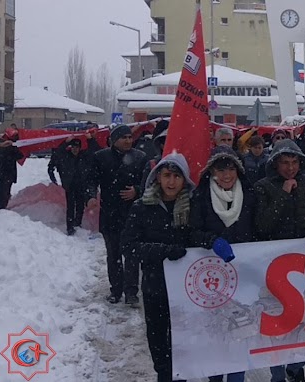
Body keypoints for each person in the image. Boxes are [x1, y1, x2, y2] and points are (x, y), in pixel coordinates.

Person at [121, 153, 222, 382]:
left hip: (188, 289)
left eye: (177, 176)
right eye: (167, 175)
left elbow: (197, 234)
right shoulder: (142, 207)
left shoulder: (193, 206)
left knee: (186, 341)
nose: (171, 182)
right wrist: (163, 251)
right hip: (155, 285)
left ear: (184, 179)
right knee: (159, 342)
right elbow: (128, 246)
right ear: (157, 177)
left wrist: (209, 240)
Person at [253, 138, 305, 382]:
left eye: (294, 163)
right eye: (284, 163)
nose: (290, 168)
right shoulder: (263, 187)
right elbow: (261, 226)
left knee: (304, 319)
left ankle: (296, 367)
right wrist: (282, 194)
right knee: (278, 320)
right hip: (275, 264)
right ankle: (277, 373)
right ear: (275, 164)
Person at [189, 146, 253, 382]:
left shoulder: (249, 193)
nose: (226, 175)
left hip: (243, 272)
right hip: (212, 275)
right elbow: (192, 231)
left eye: (231, 169)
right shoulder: (201, 195)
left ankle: (237, 376)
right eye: (220, 169)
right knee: (216, 333)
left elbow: (257, 229)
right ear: (211, 172)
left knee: (240, 331)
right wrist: (211, 240)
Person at [87, 124, 147, 305]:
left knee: (132, 254)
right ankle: (116, 290)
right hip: (110, 213)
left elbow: (148, 182)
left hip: (132, 214)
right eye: (124, 137)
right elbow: (91, 179)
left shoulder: (140, 157)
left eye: (130, 137)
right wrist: (91, 196)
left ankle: (131, 292)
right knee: (113, 254)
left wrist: (136, 190)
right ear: (114, 140)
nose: (128, 141)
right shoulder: (101, 157)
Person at [49, 133, 102, 235]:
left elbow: (95, 151)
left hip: (81, 185)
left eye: (77, 147)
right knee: (70, 207)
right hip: (70, 186)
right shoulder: (66, 156)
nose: (75, 149)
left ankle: (77, 224)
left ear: (80, 148)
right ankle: (70, 228)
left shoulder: (84, 156)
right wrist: (66, 142)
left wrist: (90, 140)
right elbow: (57, 153)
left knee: (80, 206)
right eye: (73, 147)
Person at [0, 128, 23, 209]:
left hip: (3, 173)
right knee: (4, 192)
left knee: (3, 191)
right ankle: (2, 207)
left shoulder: (3, 145)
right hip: (7, 173)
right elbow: (20, 155)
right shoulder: (10, 147)